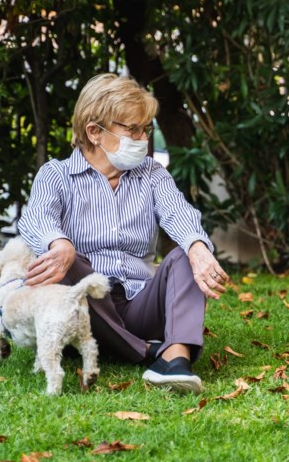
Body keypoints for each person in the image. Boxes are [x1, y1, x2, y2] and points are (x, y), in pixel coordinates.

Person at [17, 73, 229, 393]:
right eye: (132, 129)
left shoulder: (153, 174)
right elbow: (36, 218)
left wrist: (198, 247)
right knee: (67, 259)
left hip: (141, 300)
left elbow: (178, 212)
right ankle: (148, 352)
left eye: (145, 129)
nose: (142, 138)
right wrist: (59, 244)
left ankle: (175, 357)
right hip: (88, 310)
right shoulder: (56, 175)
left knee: (186, 253)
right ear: (94, 132)